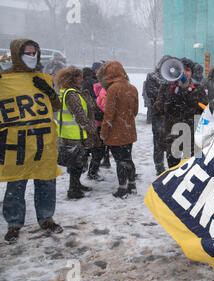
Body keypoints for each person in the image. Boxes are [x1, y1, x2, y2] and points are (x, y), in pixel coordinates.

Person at [1, 39, 63, 243]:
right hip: (17, 144)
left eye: (34, 52)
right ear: (17, 55)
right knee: (16, 184)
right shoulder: (5, 78)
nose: (32, 56)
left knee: (46, 181)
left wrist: (50, 91)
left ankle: (46, 218)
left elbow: (56, 106)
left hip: (42, 143)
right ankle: (14, 223)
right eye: (27, 53)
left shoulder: (41, 78)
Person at [54, 66, 101, 199]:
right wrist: (90, 128)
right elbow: (79, 114)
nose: (82, 78)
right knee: (76, 163)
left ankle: (76, 185)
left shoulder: (66, 92)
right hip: (74, 134)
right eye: (79, 76)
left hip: (69, 133)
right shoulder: (71, 94)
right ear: (72, 78)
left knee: (77, 162)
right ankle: (73, 190)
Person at [155, 57, 208, 168]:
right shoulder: (166, 87)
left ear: (191, 72)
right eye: (182, 69)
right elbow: (157, 110)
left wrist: (186, 92)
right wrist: (171, 95)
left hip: (191, 136)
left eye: (188, 70)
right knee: (173, 169)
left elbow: (204, 109)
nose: (184, 73)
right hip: (172, 136)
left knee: (191, 169)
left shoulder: (198, 88)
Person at [97, 61, 139, 198]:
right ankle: (132, 184)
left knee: (119, 161)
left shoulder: (113, 89)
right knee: (128, 158)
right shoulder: (132, 88)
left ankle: (122, 188)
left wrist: (104, 132)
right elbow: (136, 111)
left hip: (116, 132)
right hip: (129, 130)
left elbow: (109, 114)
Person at [146, 56, 170, 175]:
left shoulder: (173, 78)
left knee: (171, 141)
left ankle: (171, 165)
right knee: (158, 141)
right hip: (159, 114)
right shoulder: (152, 77)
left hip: (171, 115)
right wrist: (164, 95)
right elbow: (151, 93)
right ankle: (159, 166)